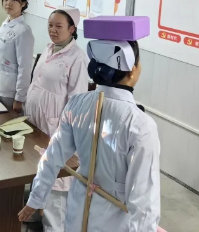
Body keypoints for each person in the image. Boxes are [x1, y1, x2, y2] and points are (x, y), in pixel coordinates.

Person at [19, 38, 161, 231]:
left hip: (78, 208)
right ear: (132, 71)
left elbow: (52, 157)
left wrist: (37, 197)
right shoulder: (140, 124)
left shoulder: (77, 104)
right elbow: (144, 197)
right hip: (114, 220)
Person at [24, 7, 89, 232]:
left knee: (56, 182)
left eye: (58, 26)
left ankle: (55, 226)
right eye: (50, 25)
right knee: (38, 171)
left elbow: (77, 101)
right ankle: (36, 212)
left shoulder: (77, 58)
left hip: (56, 129)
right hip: (37, 122)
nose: (53, 30)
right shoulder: (49, 48)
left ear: (72, 29)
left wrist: (66, 135)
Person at [0, 0, 35, 113]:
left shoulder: (23, 31)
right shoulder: (5, 24)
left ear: (23, 4)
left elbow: (25, 67)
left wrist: (20, 97)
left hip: (8, 91)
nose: (8, 3)